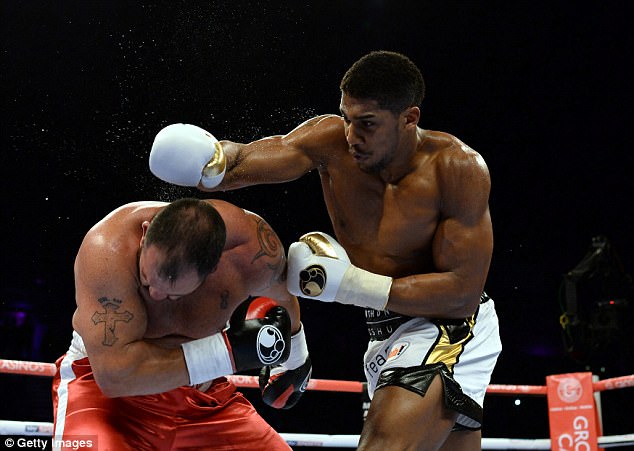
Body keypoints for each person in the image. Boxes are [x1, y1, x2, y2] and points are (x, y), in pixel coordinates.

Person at [149, 50, 502, 450]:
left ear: (409, 118)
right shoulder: (330, 142)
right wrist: (210, 163)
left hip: (449, 327)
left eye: (367, 124)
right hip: (383, 333)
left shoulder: (456, 169)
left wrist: (349, 285)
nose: (352, 136)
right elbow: (247, 159)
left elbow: (462, 293)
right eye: (348, 118)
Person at [52, 198, 312, 450]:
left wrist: (296, 359)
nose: (154, 294)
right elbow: (115, 377)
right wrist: (229, 352)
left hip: (204, 401)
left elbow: (283, 292)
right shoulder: (106, 252)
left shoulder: (252, 251)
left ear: (213, 269)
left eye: (171, 293)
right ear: (145, 233)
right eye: (146, 278)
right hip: (106, 399)